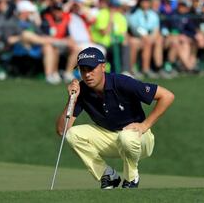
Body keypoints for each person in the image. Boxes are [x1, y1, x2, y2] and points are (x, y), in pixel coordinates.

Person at [56, 47, 174, 189]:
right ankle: (108, 176)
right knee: (72, 135)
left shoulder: (122, 82)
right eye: (83, 70)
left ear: (103, 66)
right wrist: (72, 99)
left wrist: (144, 125)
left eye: (91, 69)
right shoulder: (81, 91)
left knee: (126, 137)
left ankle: (131, 179)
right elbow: (62, 131)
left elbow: (167, 96)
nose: (87, 75)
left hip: (140, 139)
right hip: (110, 139)